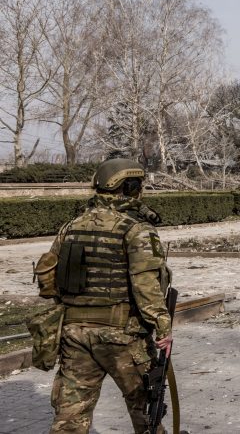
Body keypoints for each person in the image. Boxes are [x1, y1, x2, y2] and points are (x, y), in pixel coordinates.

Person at [35, 158, 172, 434]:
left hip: (74, 335)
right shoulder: (136, 229)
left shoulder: (71, 226)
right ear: (131, 187)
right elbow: (146, 285)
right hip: (121, 336)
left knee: (70, 418)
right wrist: (162, 326)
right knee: (146, 411)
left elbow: (48, 279)